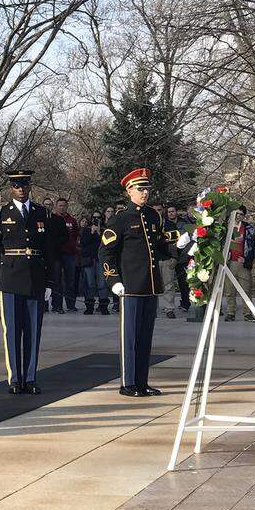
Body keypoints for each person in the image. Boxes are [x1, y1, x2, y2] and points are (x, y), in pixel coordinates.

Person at [99, 168, 187, 397]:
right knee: (130, 339)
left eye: (146, 188)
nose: (145, 193)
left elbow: (158, 245)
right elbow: (106, 253)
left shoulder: (153, 216)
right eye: (140, 189)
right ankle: (128, 383)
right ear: (129, 191)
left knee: (145, 338)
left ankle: (142, 381)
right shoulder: (119, 220)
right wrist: (113, 280)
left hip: (150, 285)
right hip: (130, 286)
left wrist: (176, 245)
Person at [0, 169, 57, 394]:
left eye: (24, 185)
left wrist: (49, 282)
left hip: (35, 278)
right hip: (10, 278)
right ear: (11, 188)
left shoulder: (41, 213)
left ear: (30, 187)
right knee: (12, 331)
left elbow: (49, 251)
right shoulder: (0, 213)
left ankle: (30, 377)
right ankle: (15, 379)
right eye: (17, 186)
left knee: (33, 331)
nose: (21, 190)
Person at [224, 206, 255, 322]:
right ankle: (230, 312)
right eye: (236, 213)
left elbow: (253, 246)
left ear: (244, 215)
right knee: (229, 290)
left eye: (241, 214)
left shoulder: (248, 228)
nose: (238, 216)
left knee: (246, 289)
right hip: (229, 262)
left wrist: (248, 260)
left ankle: (247, 313)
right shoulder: (225, 227)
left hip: (242, 262)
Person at [49, 198, 79, 313]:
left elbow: (75, 235)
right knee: (56, 281)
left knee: (70, 281)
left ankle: (71, 304)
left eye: (64, 206)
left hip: (70, 254)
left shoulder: (72, 220)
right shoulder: (51, 219)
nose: (62, 207)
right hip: (57, 255)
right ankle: (57, 305)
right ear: (56, 206)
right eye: (60, 205)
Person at [78, 210, 108, 315]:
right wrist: (91, 232)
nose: (96, 219)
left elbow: (107, 244)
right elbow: (83, 243)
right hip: (89, 259)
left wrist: (99, 233)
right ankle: (89, 306)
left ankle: (103, 306)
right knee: (90, 283)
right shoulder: (86, 230)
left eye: (98, 217)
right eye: (94, 217)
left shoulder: (105, 230)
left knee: (102, 284)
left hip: (100, 259)